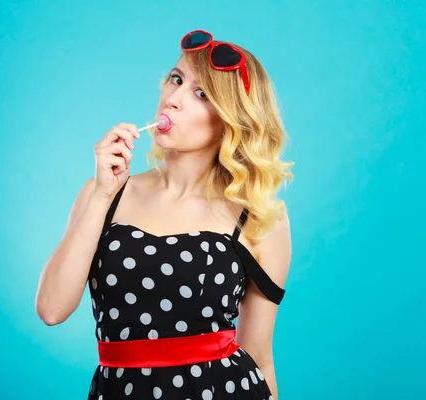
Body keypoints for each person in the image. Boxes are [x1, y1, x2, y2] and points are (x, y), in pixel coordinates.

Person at [35, 29, 294, 400]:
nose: (172, 99)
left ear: (230, 120)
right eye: (176, 79)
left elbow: (258, 355)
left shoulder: (258, 216)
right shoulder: (103, 194)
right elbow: (51, 309)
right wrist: (101, 196)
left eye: (201, 94)